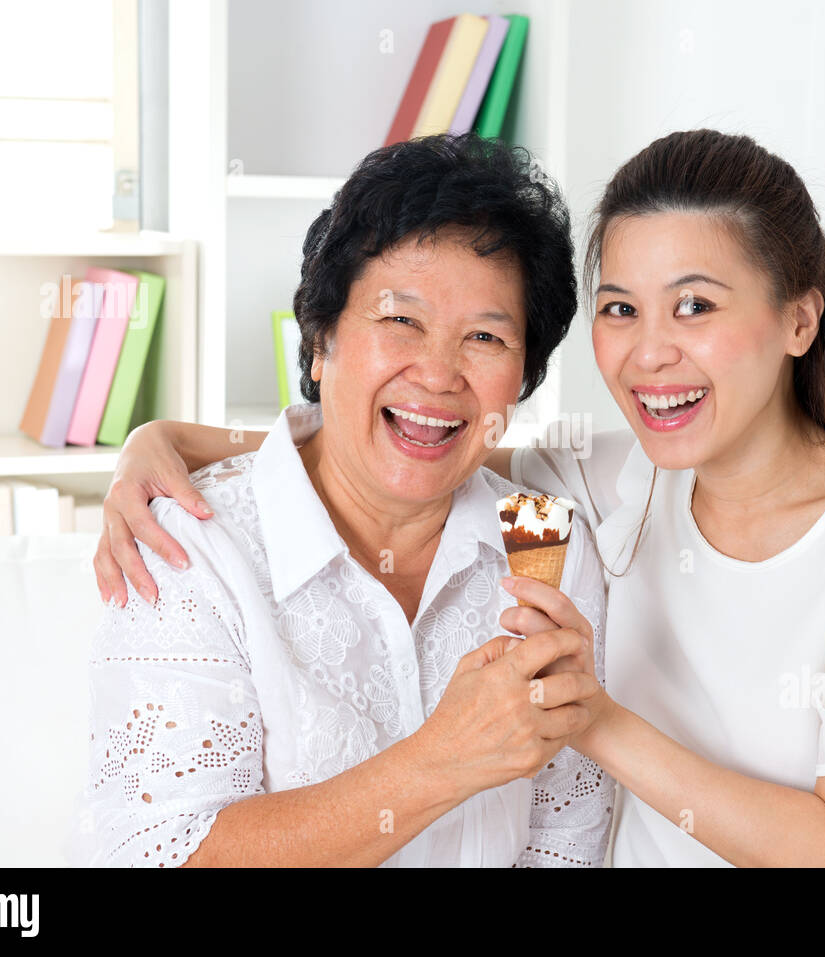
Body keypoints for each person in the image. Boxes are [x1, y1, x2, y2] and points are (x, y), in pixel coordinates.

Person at [95, 130, 825, 867]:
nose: (651, 352)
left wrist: (595, 719)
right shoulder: (610, 481)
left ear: (800, 320)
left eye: (695, 306)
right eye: (620, 309)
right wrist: (166, 441)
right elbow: (420, 439)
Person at [70, 133, 615, 868]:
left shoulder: (547, 541)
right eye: (401, 321)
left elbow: (566, 837)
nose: (438, 373)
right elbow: (161, 853)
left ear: (520, 380)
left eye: (485, 336)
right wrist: (442, 758)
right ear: (320, 340)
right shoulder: (189, 545)